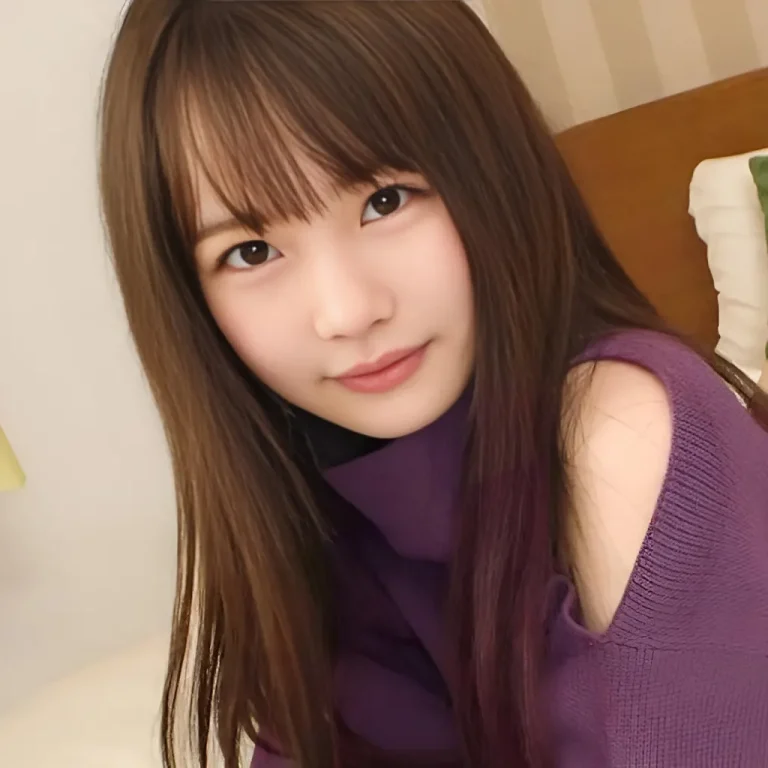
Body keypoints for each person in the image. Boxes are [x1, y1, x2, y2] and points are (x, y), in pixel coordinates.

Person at [98, 2, 768, 767]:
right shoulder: (319, 504)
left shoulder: (616, 427)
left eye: (384, 201)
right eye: (251, 252)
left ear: (493, 173)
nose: (347, 312)